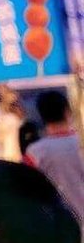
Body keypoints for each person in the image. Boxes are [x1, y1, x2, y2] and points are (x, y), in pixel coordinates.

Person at [23, 90, 84, 229]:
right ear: (67, 111)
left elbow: (28, 191)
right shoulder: (80, 143)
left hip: (58, 230)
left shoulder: (35, 152)